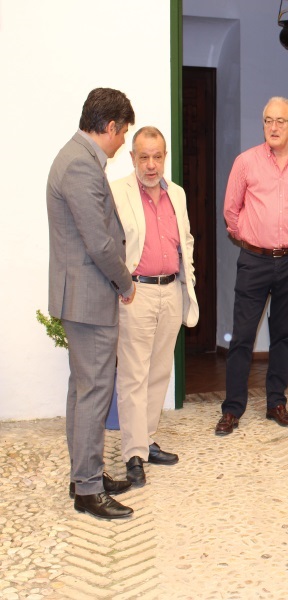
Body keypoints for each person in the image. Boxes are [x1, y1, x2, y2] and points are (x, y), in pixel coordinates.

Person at [46, 87, 136, 519]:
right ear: (111, 126)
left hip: (81, 295)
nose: (122, 144)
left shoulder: (77, 157)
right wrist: (125, 280)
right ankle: (87, 489)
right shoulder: (80, 164)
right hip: (90, 296)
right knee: (93, 391)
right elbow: (99, 242)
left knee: (83, 390)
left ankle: (87, 475)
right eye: (123, 135)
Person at [215, 97, 288, 435]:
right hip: (254, 260)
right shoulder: (245, 162)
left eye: (280, 121)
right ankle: (232, 409)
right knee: (242, 338)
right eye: (267, 121)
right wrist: (248, 236)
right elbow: (230, 211)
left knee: (282, 337)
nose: (273, 127)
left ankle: (276, 402)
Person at [111, 126, 199, 486]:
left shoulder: (176, 193)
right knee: (133, 375)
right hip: (137, 293)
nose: (151, 164)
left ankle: (146, 440)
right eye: (143, 157)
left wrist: (186, 279)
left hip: (170, 291)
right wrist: (121, 284)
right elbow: (108, 244)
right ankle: (133, 453)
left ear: (166, 157)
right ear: (132, 158)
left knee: (160, 370)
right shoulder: (117, 193)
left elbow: (186, 240)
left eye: (157, 156)